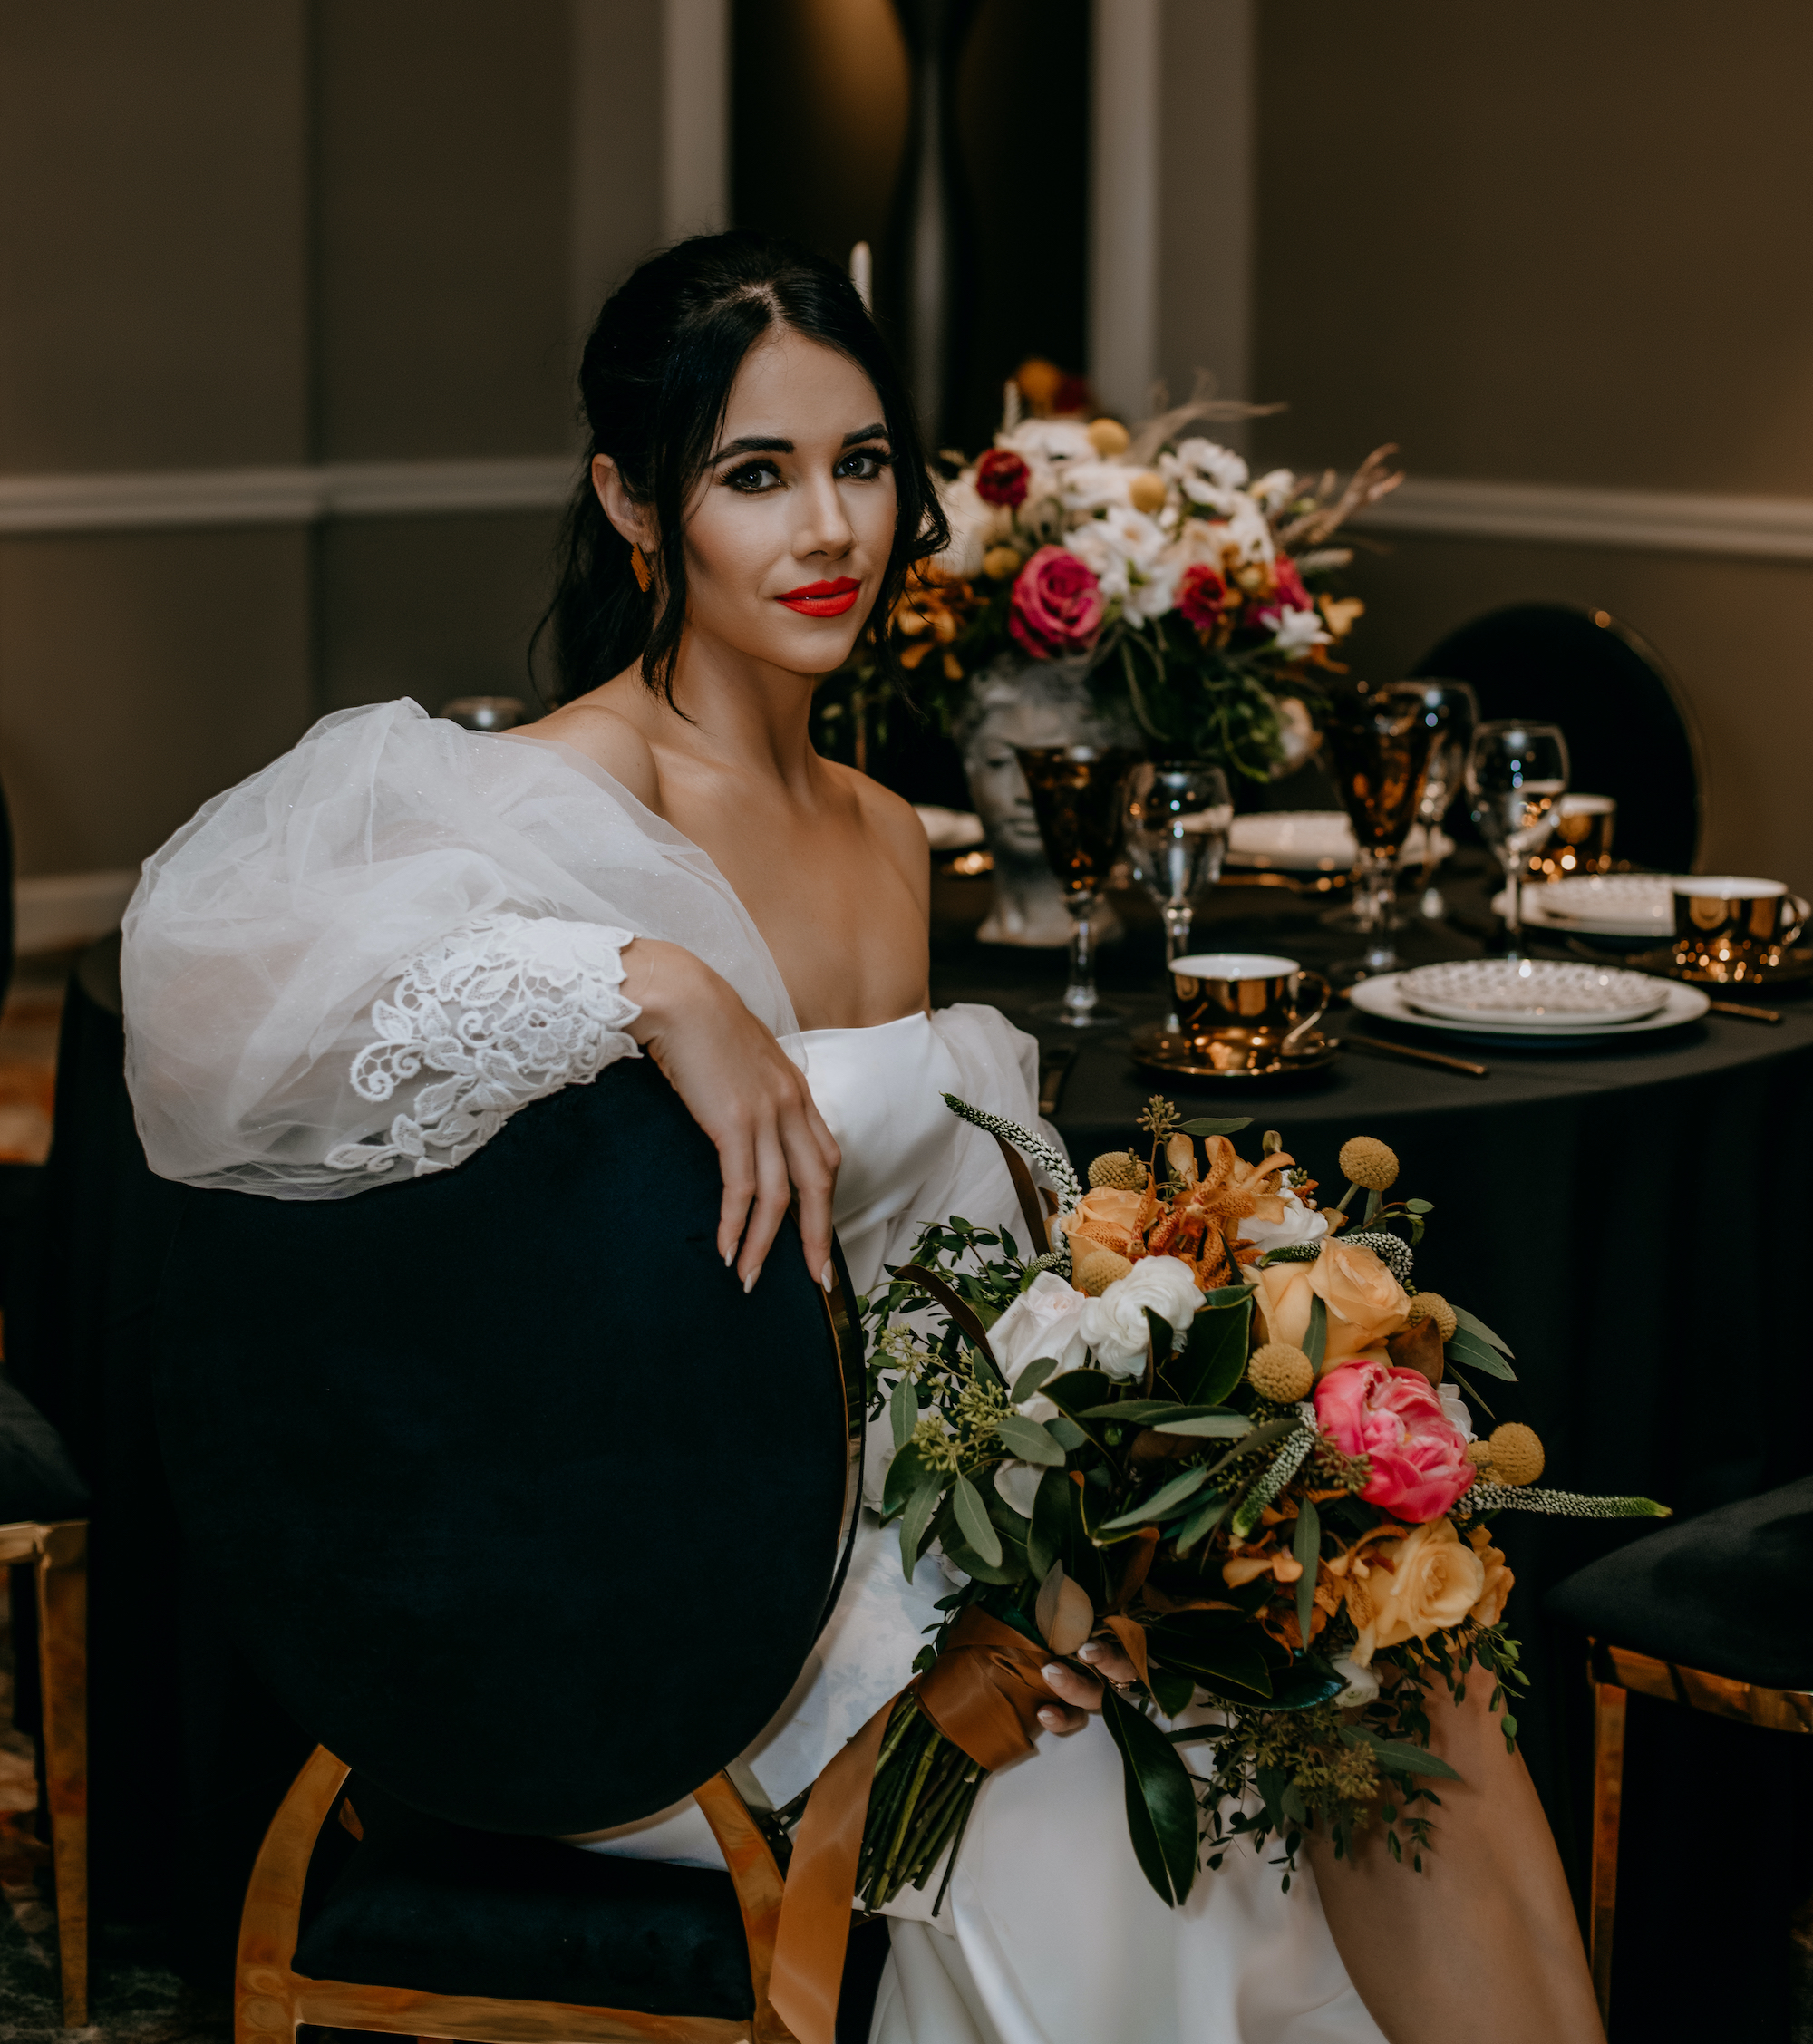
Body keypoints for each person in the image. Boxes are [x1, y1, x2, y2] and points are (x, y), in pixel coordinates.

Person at [121, 233, 1601, 2044]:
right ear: (632, 502)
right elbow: (204, 993)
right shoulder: (566, 793)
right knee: (1165, 1786)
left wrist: (1129, 1508)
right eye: (757, 475)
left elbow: (934, 1299)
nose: (829, 527)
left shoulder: (888, 835)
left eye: (862, 463)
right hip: (684, 1627)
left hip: (942, 1529)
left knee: (1391, 1654)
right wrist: (637, 970)